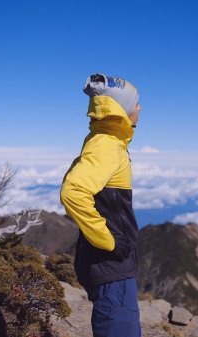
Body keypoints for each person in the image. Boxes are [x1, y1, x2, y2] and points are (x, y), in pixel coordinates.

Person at [60, 73, 142, 337]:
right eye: (136, 104)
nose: (140, 108)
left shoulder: (107, 140)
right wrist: (110, 242)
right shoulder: (107, 145)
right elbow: (73, 192)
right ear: (123, 109)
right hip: (112, 268)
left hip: (113, 268)